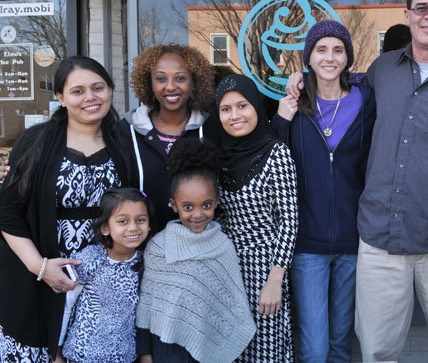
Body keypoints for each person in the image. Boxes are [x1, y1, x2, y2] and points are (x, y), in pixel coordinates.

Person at [287, 0, 428, 362]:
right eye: (421, 8)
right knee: (377, 352)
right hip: (380, 240)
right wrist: (303, 76)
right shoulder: (382, 70)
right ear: (407, 14)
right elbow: (336, 82)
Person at [0, 56, 131, 362]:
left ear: (110, 90)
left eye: (98, 87)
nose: (90, 97)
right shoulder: (36, 141)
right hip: (37, 274)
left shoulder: (123, 142)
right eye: (78, 91)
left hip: (100, 281)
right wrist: (40, 266)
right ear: (60, 97)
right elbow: (6, 207)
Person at [272, 20, 375, 362]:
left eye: (337, 50)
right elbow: (274, 164)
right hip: (308, 246)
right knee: (314, 349)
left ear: (348, 57)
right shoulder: (294, 107)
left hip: (352, 242)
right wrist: (281, 121)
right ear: (309, 58)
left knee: (341, 345)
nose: (329, 58)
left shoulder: (365, 100)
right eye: (321, 50)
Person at [136, 137, 255, 363]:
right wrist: (145, 353)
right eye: (188, 207)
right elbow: (147, 304)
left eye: (206, 205)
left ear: (217, 202)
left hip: (208, 349)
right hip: (166, 349)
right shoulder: (158, 247)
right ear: (173, 205)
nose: (198, 214)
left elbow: (233, 309)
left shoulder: (222, 246)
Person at [216, 74, 299, 362]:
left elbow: (289, 221)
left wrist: (275, 279)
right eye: (226, 109)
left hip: (265, 270)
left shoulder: (275, 154)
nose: (235, 115)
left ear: (256, 108)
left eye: (242, 106)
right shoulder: (217, 157)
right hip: (226, 269)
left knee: (265, 352)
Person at [118, 44, 219, 232]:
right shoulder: (127, 131)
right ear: (149, 83)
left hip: (200, 246)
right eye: (161, 79)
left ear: (194, 82)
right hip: (142, 247)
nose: (171, 87)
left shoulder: (212, 129)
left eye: (180, 78)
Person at [61, 188, 152, 363]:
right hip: (83, 355)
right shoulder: (89, 259)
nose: (133, 227)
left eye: (140, 220)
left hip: (124, 357)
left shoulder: (146, 263)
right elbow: (66, 305)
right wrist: (56, 351)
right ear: (105, 228)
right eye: (123, 221)